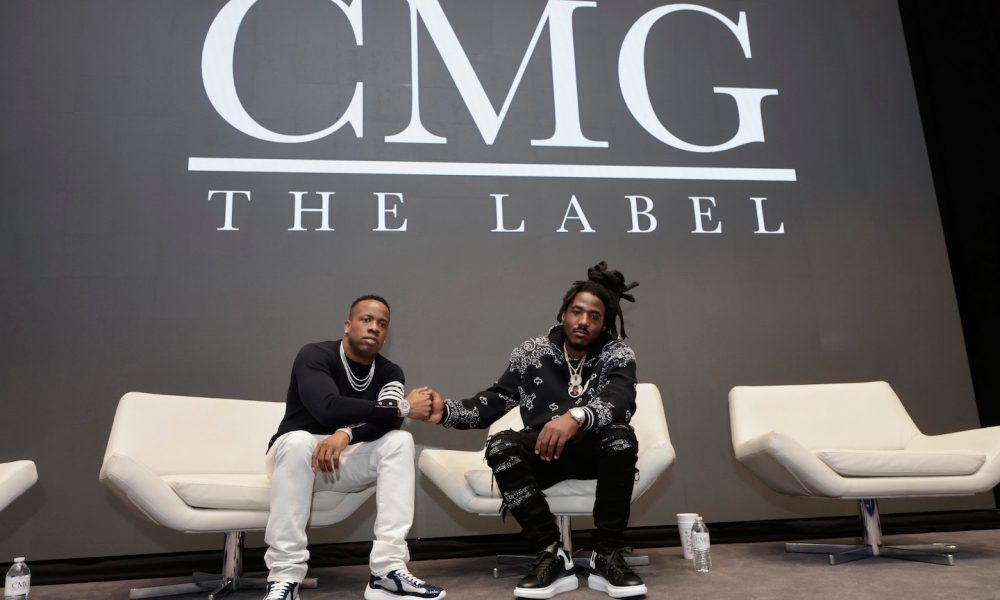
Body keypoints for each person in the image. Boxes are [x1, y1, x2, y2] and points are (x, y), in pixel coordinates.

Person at [423, 262, 646, 599]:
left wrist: (576, 417)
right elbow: (494, 401)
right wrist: (446, 412)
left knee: (621, 440)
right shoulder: (532, 353)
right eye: (577, 312)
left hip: (595, 451)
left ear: (604, 324)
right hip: (546, 453)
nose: (584, 321)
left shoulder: (617, 353)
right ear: (563, 313)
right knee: (501, 447)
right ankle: (552, 554)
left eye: (594, 316)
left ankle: (607, 554)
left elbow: (621, 399)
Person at [262, 295, 446, 600]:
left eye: (382, 324)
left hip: (341, 461)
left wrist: (345, 434)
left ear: (386, 335)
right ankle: (284, 577)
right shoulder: (314, 355)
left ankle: (387, 572)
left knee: (400, 441)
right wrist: (402, 406)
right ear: (348, 325)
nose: (374, 327)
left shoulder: (390, 372)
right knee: (300, 440)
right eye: (366, 319)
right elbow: (327, 408)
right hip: (291, 457)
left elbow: (388, 423)